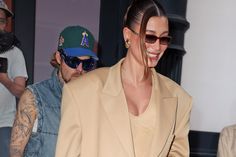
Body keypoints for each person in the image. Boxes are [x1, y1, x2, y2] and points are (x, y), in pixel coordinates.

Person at [55, 0, 193, 157]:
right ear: (127, 35)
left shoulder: (179, 100)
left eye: (164, 39)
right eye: (149, 37)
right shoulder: (81, 92)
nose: (157, 47)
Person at [9, 25, 98, 157]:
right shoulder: (33, 97)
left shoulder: (96, 100)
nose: (80, 69)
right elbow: (16, 151)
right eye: (73, 61)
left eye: (87, 64)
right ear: (58, 57)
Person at [0, 1, 28, 157]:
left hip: (4, 125)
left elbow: (21, 92)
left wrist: (4, 79)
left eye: (2, 20)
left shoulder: (14, 53)